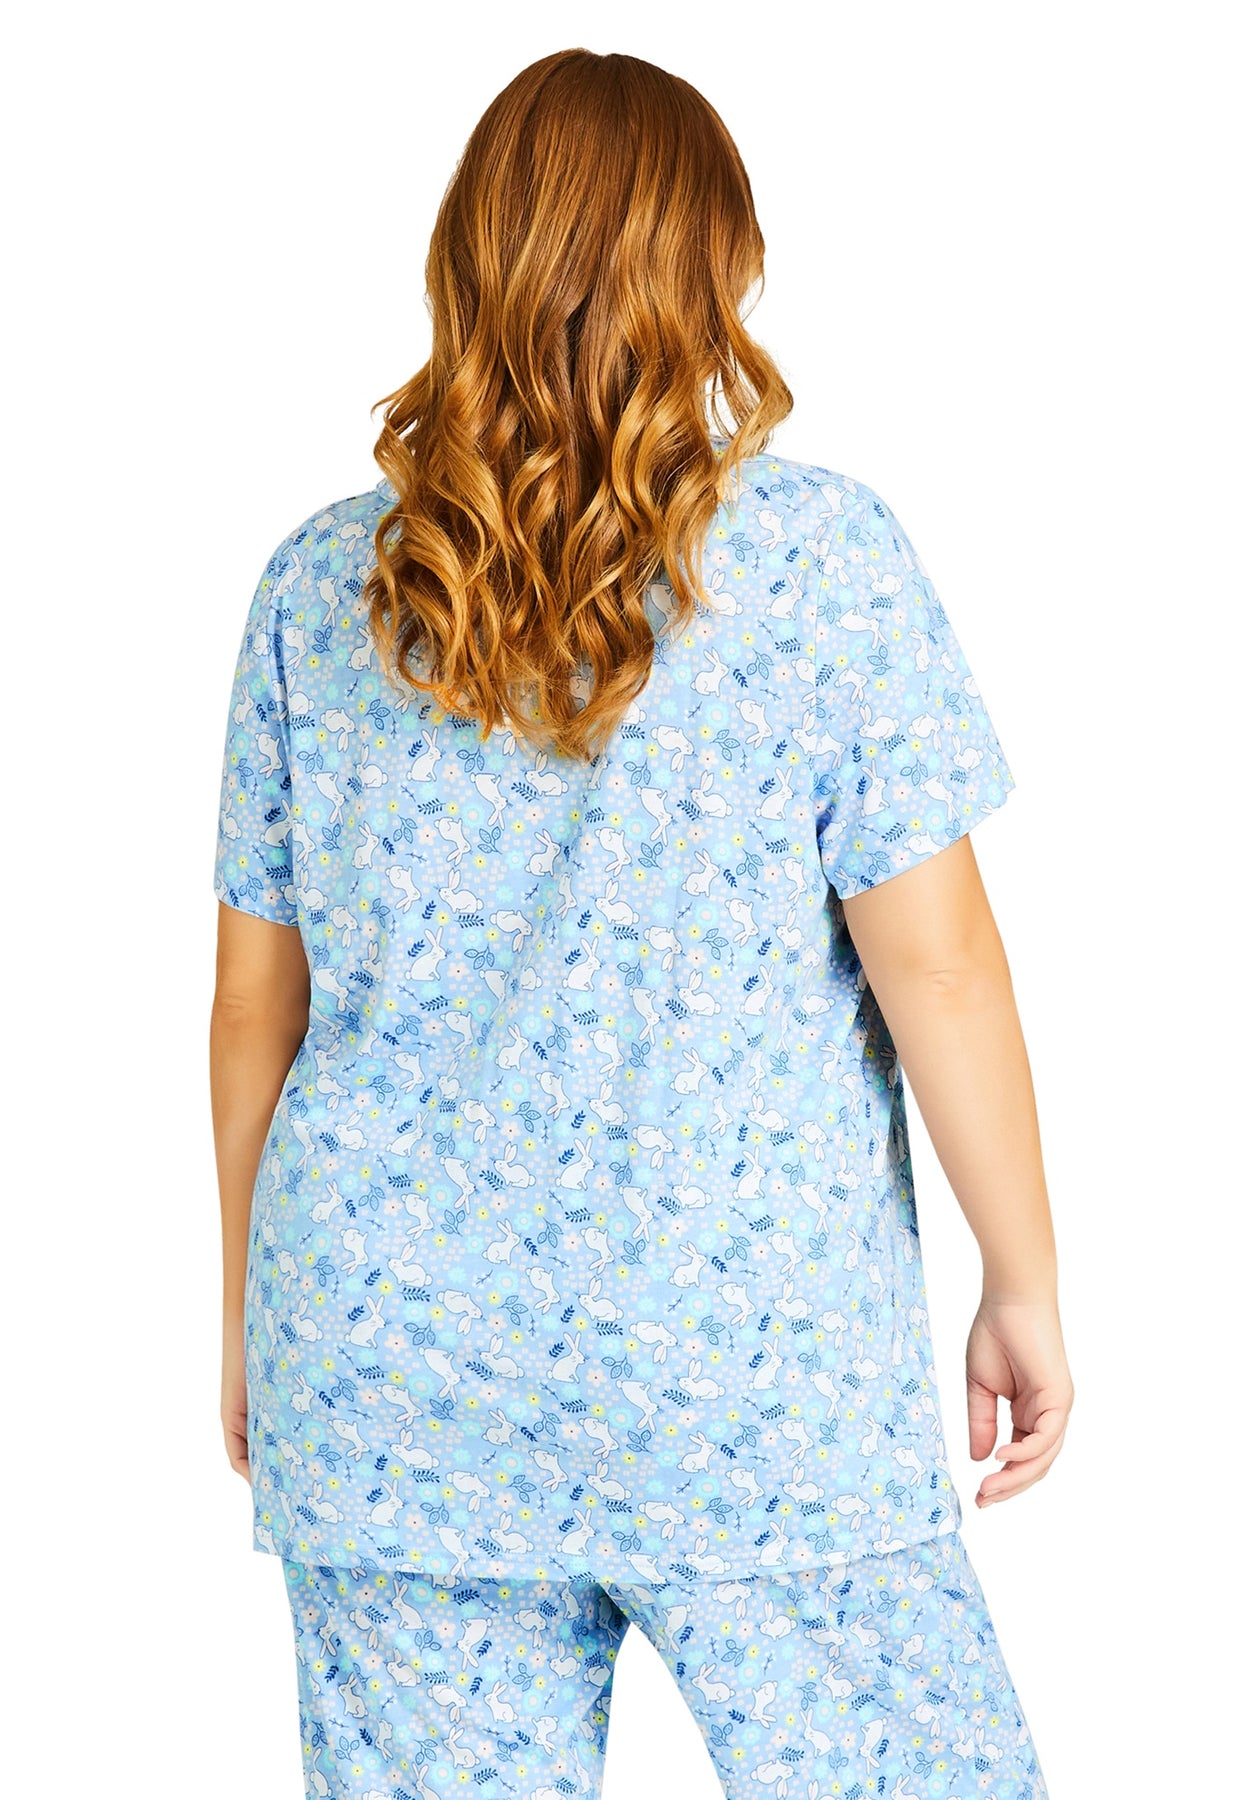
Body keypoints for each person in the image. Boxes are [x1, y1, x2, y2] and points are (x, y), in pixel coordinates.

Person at [209, 46, 1073, 1800]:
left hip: (389, 1372)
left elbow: (251, 1013)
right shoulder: (821, 563)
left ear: (467, 261)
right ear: (718, 267)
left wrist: (249, 1320)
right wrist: (1023, 1278)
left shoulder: (318, 588)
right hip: (749, 1372)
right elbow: (940, 965)